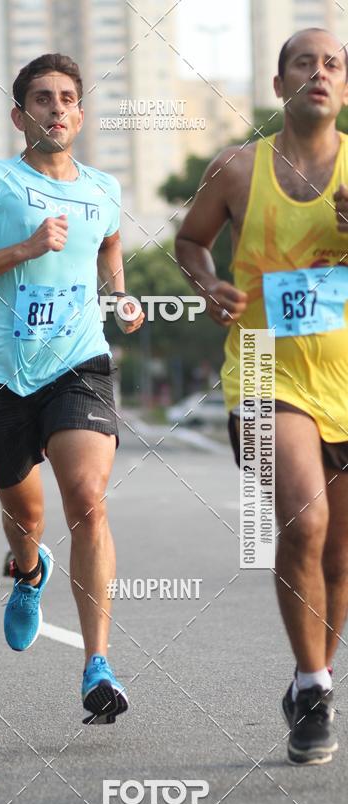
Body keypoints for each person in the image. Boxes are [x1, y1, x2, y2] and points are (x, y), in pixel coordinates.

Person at [0, 53, 143, 724]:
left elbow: (108, 249)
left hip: (78, 363)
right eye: (42, 98)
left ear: (80, 114)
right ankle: (27, 568)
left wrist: (122, 298)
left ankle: (97, 665)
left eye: (68, 97)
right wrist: (21, 249)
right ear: (21, 116)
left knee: (87, 499)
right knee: (27, 517)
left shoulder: (103, 188)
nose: (57, 107)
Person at [175, 28, 348, 764]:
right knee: (305, 522)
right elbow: (189, 241)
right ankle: (312, 688)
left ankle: (317, 675)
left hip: (343, 375)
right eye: (304, 63)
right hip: (264, 371)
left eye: (333, 64)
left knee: (340, 555)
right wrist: (206, 282)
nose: (319, 72)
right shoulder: (238, 170)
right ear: (279, 86)